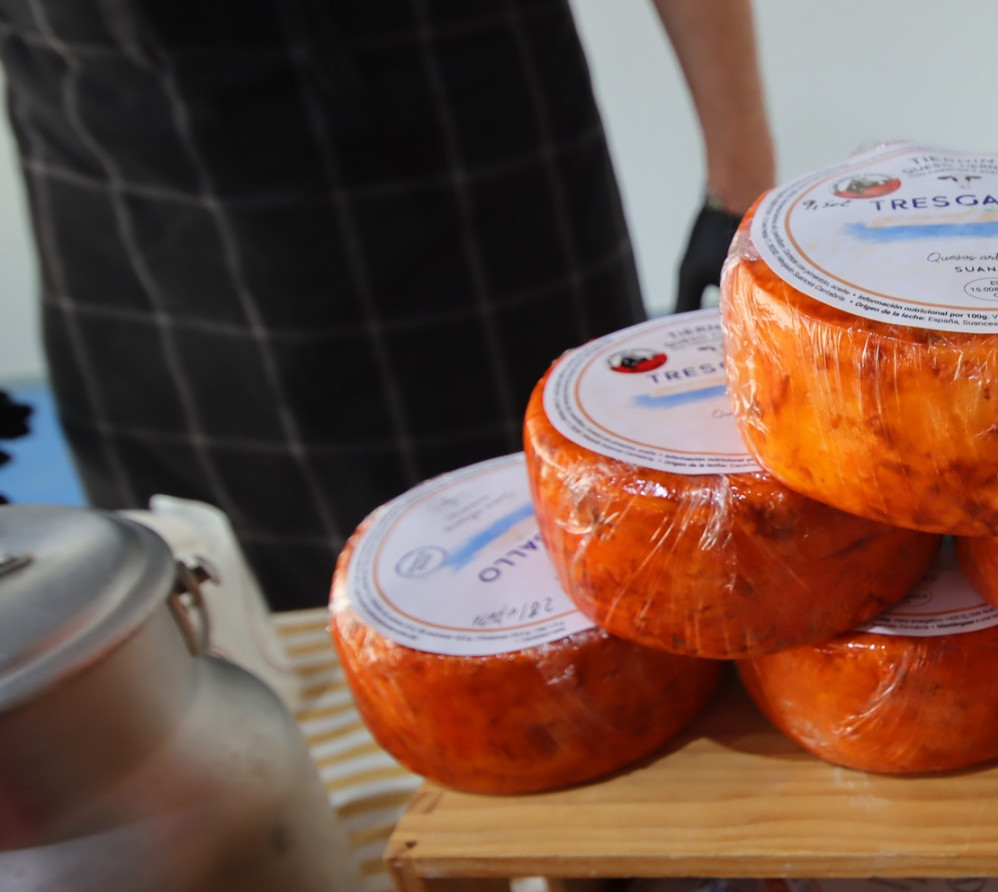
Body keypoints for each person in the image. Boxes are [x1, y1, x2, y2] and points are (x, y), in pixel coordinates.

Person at [0, 0, 774, 610]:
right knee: (209, 626)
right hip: (121, 164)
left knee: (594, 573)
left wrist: (738, 185)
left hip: (460, 130)